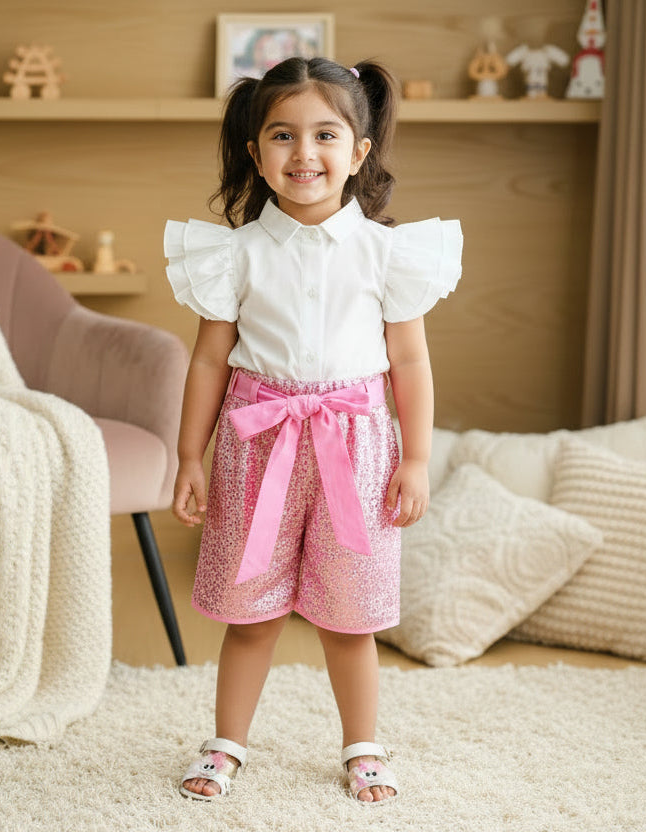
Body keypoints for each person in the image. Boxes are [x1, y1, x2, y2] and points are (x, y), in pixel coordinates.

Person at [165, 56, 462, 804]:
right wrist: (188, 456)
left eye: (326, 135)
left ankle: (363, 745)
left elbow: (411, 361)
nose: (305, 155)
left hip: (355, 449)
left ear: (359, 152)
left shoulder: (388, 254)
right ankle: (226, 742)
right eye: (283, 137)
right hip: (255, 442)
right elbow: (207, 363)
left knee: (348, 617)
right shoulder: (233, 254)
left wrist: (417, 457)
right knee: (252, 614)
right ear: (256, 155)